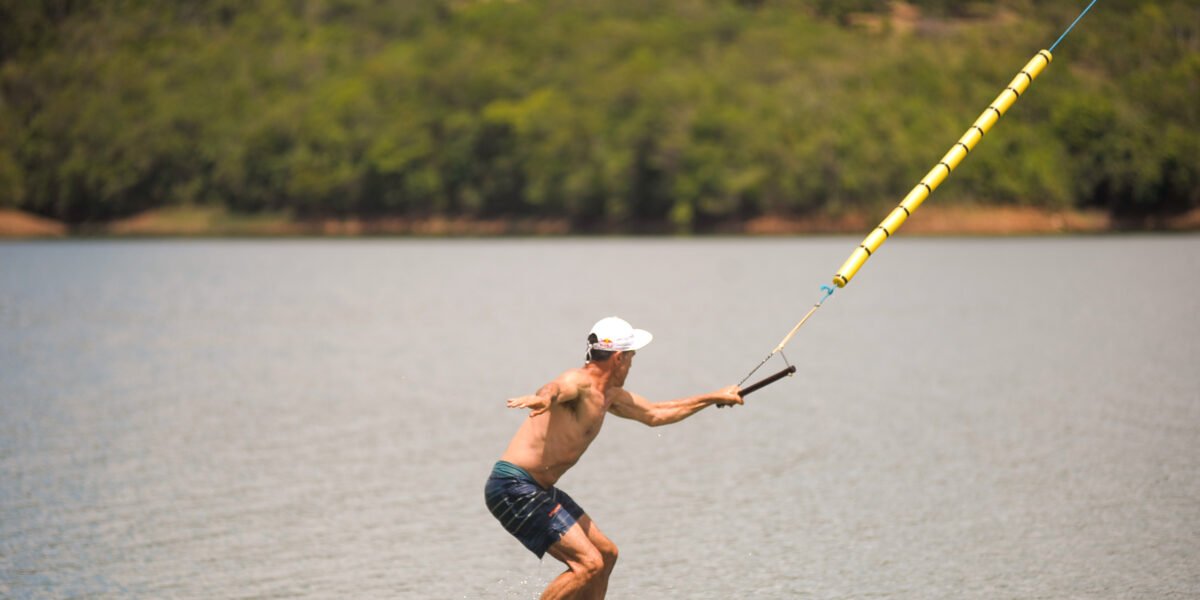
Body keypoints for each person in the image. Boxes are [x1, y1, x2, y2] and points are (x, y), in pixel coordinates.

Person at [485, 316, 742, 599]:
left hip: (537, 488)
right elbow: (556, 388)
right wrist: (544, 398)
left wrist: (714, 397)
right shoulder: (579, 383)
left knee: (606, 555)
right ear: (619, 358)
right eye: (632, 357)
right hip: (513, 486)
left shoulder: (609, 395)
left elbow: (656, 413)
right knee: (588, 564)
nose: (632, 364)